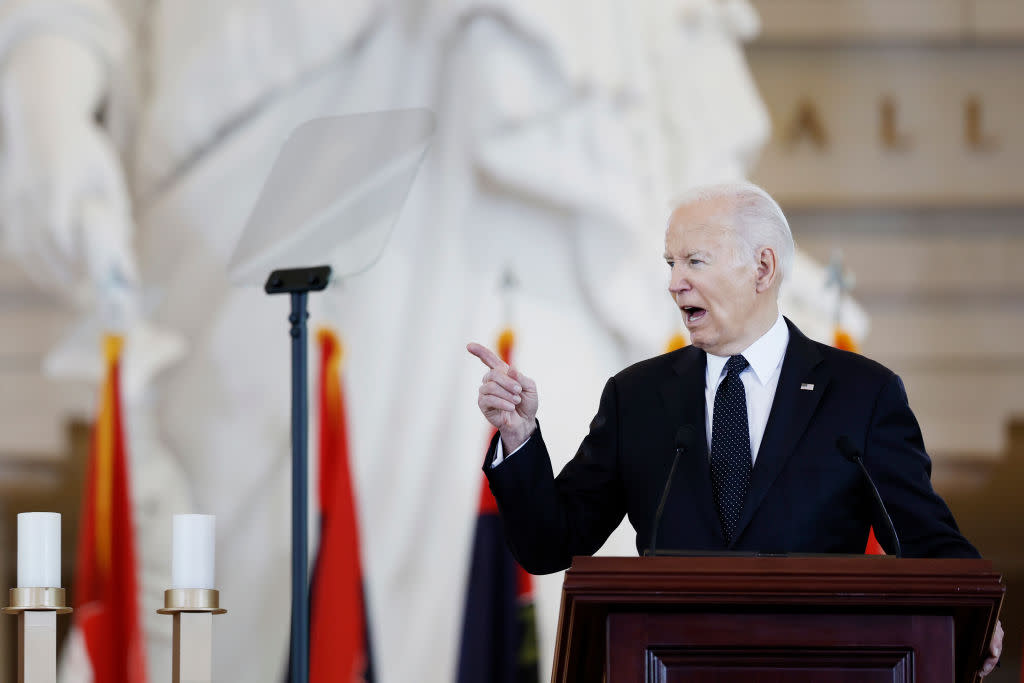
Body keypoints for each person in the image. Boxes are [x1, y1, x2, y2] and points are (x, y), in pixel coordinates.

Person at [468, 181, 1004, 677]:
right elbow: (550, 544)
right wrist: (519, 435)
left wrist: (977, 613)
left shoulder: (860, 394)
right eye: (671, 263)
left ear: (763, 268)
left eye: (695, 261)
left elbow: (924, 537)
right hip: (664, 664)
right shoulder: (637, 397)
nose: (675, 283)